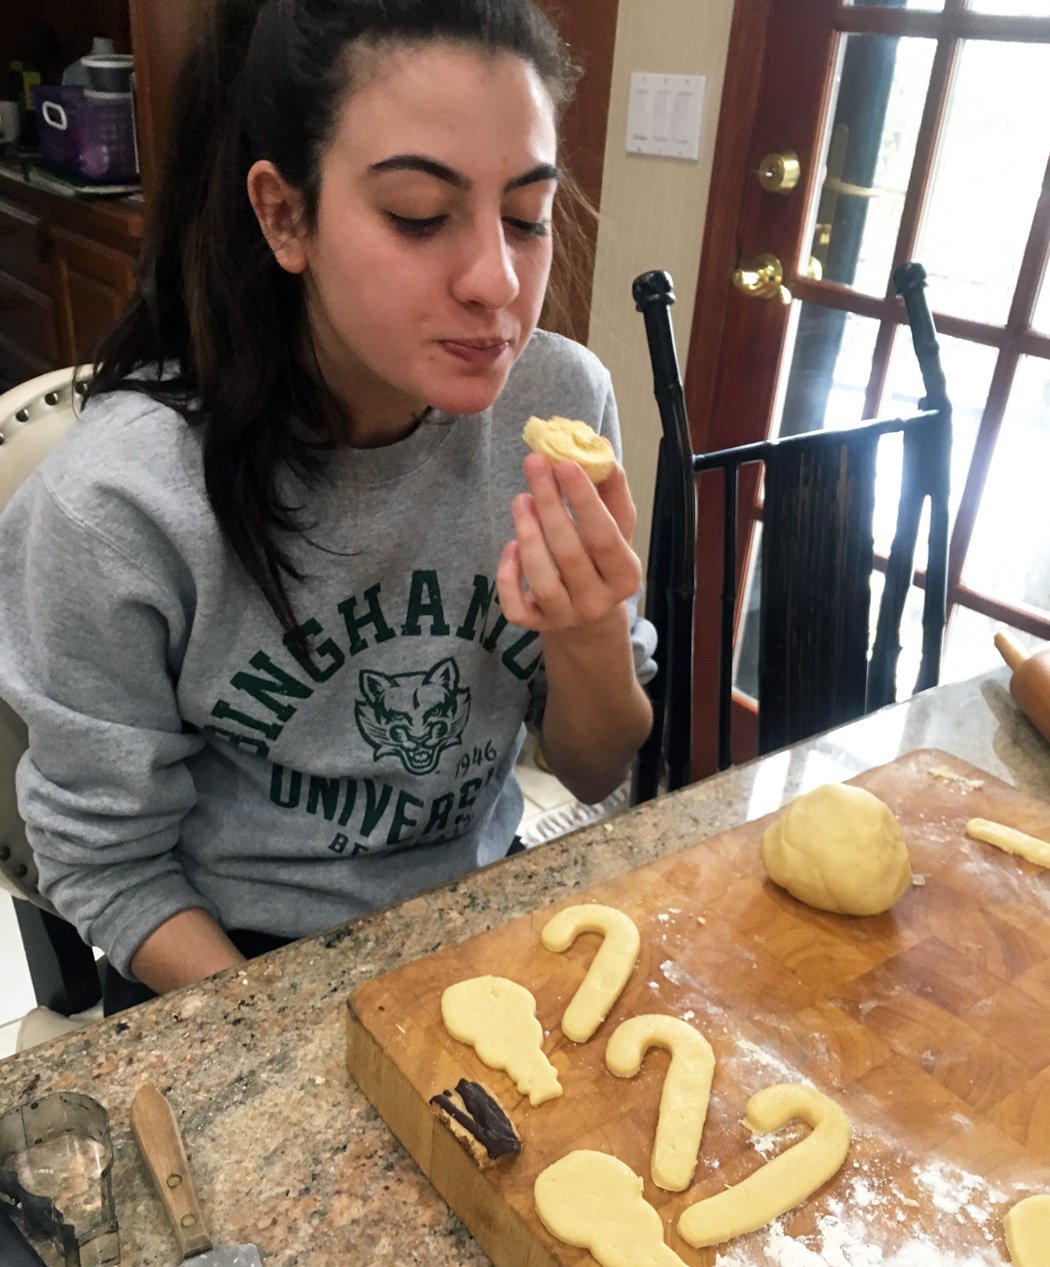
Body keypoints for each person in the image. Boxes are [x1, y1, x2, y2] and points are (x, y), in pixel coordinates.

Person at [0, 0, 655, 1014]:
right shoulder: (121, 500)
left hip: (471, 925)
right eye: (419, 215)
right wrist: (290, 1030)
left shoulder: (559, 401)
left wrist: (587, 630)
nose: (498, 280)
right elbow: (106, 860)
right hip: (232, 972)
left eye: (527, 215)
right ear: (284, 216)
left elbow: (595, 757)